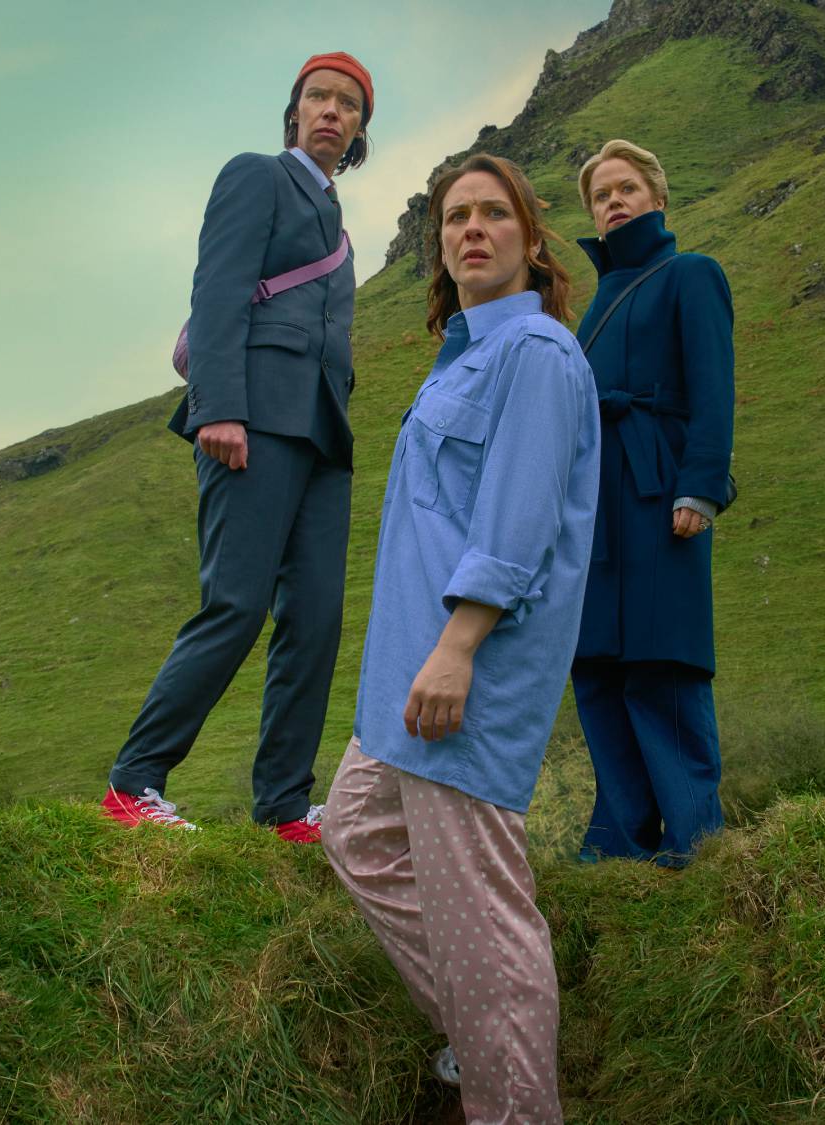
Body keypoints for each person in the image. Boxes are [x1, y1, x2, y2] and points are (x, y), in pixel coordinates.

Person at [323, 153, 598, 1125]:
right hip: (408, 671)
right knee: (355, 832)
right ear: (438, 245)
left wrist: (459, 647)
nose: (471, 228)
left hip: (464, 669)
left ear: (530, 238)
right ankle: (484, 1033)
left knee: (483, 916)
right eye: (454, 217)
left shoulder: (536, 353)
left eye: (492, 213)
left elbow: (518, 521)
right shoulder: (467, 355)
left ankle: (512, 1092)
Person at [99, 53, 374, 844]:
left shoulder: (340, 230)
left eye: (348, 103)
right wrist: (218, 407)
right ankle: (133, 782)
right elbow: (217, 289)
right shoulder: (257, 175)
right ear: (295, 112)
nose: (331, 110)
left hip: (323, 437)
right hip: (250, 421)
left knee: (316, 618)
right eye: (318, 97)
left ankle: (284, 805)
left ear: (360, 129)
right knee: (237, 604)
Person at [569, 139, 736, 868]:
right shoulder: (594, 306)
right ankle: (618, 842)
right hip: (594, 506)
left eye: (626, 188)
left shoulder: (692, 274)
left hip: (658, 487)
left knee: (662, 658)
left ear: (658, 198)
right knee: (598, 663)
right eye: (601, 195)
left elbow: (714, 387)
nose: (614, 202)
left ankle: (694, 838)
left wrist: (700, 486)